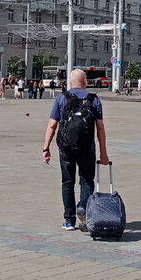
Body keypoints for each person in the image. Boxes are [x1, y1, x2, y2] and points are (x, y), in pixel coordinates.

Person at [43, 68, 110, 230]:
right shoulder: (93, 99)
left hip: (66, 149)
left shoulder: (61, 98)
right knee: (86, 181)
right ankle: (84, 212)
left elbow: (52, 125)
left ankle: (69, 220)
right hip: (87, 148)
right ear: (85, 81)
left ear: (69, 82)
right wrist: (103, 152)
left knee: (67, 182)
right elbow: (100, 127)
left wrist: (46, 148)